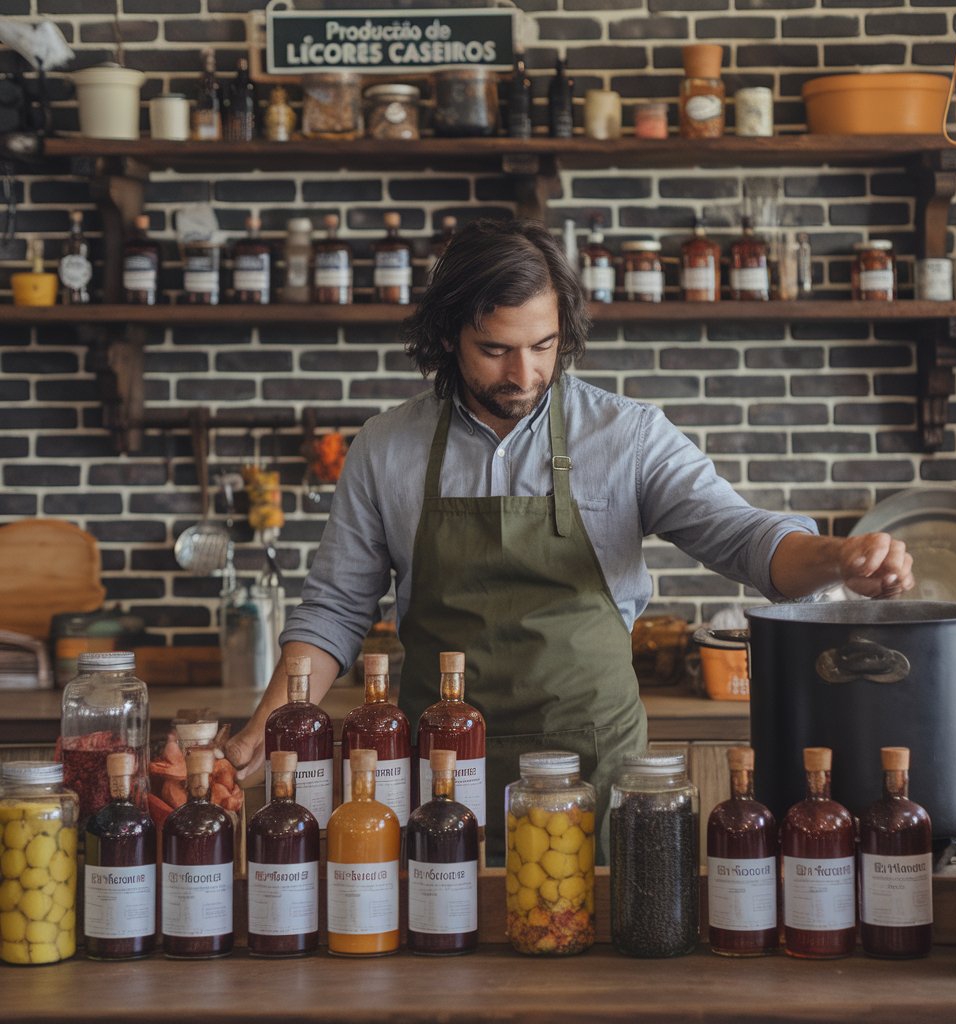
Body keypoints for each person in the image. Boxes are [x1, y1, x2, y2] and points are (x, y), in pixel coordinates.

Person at [226, 218, 914, 860]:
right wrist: (265, 724)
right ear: (446, 337)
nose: (523, 375)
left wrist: (838, 558)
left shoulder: (627, 435)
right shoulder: (385, 447)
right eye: (495, 350)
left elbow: (743, 537)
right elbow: (334, 610)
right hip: (436, 770)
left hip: (594, 764)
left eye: (542, 346)